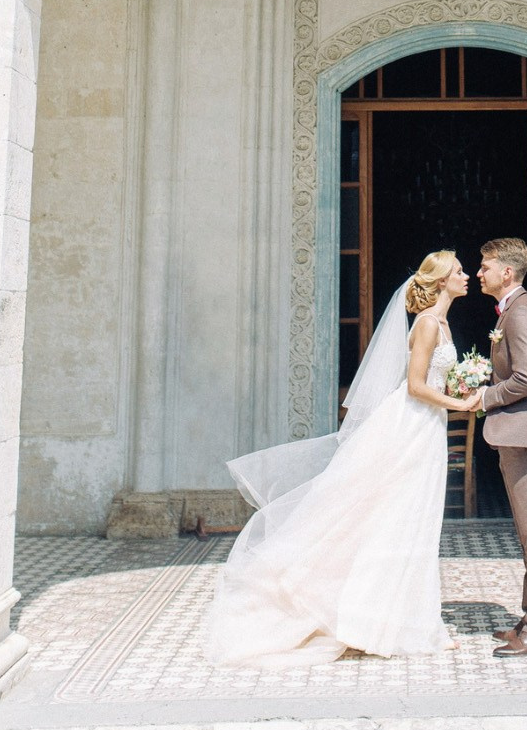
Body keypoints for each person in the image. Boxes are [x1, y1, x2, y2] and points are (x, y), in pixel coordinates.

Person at [204, 250, 476, 665]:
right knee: (394, 518)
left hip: (427, 429)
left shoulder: (442, 323)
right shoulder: (425, 325)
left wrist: (456, 395)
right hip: (409, 428)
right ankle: (373, 619)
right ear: (441, 281)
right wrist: (462, 404)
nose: (467, 275)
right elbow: (416, 388)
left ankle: (406, 620)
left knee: (412, 521)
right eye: (459, 271)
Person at [473, 236, 527, 659]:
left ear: (506, 272)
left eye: (485, 266)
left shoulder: (522, 314)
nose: (479, 272)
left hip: (526, 435)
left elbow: (526, 379)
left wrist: (486, 398)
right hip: (518, 434)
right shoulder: (513, 311)